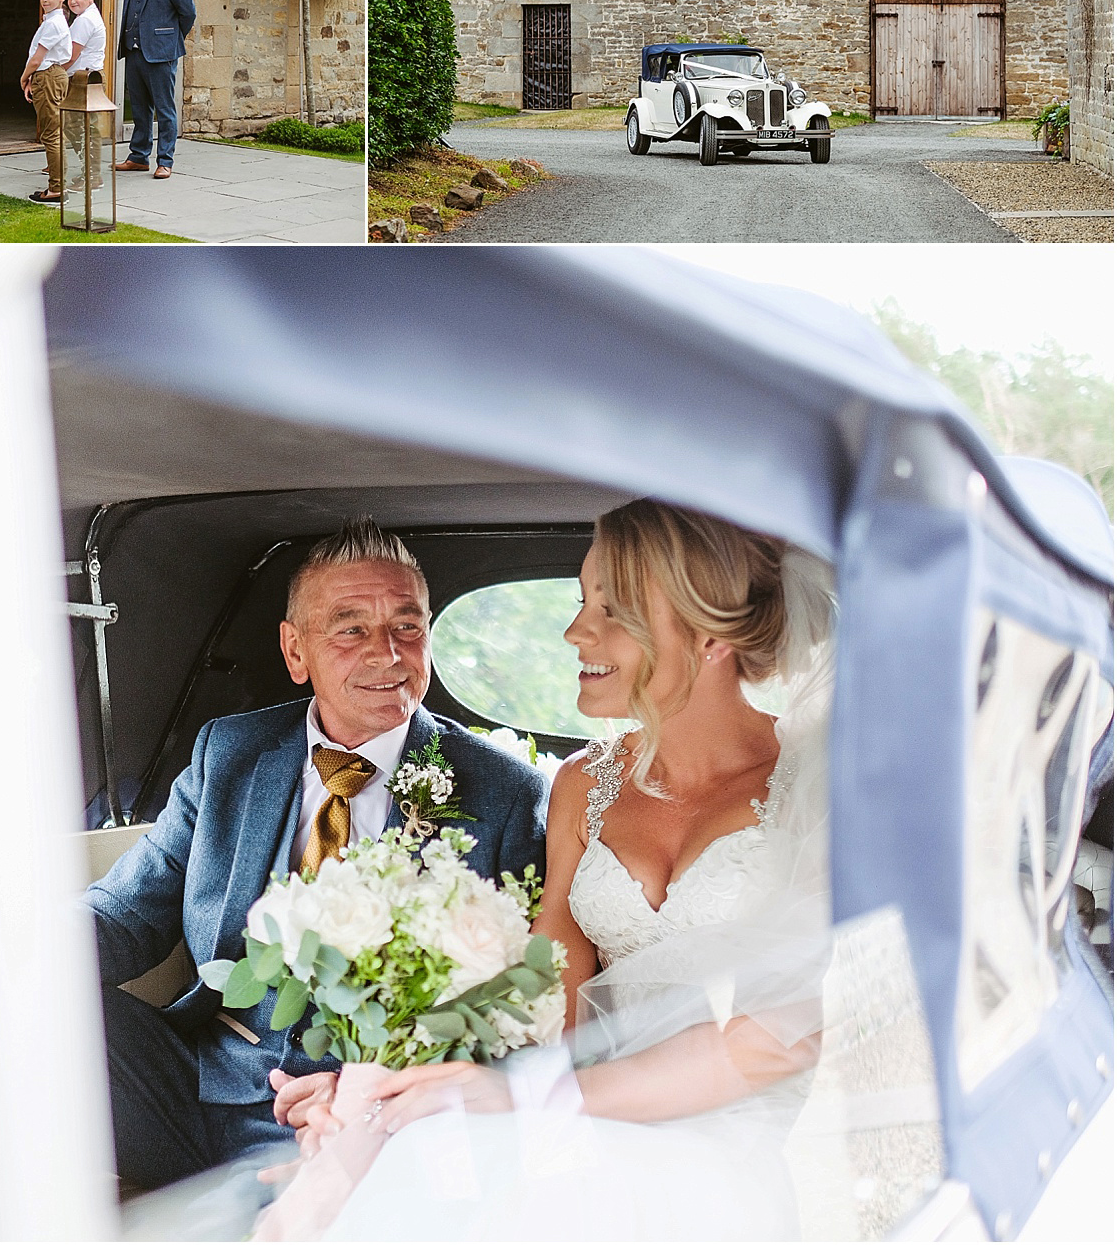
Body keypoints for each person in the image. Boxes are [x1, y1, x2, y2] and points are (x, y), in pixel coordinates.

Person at [263, 499, 836, 1242]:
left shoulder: (819, 785)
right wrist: (388, 1088)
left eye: (612, 609)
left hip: (731, 1132)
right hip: (582, 1114)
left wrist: (532, 1101)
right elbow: (549, 1003)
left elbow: (775, 1043)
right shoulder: (582, 784)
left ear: (708, 633)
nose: (576, 632)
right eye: (581, 602)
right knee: (405, 1156)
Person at [83, 517, 549, 1195]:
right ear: (295, 651)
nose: (387, 653)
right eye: (351, 628)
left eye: (408, 627)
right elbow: (128, 912)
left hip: (369, 1117)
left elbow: (512, 1005)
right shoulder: (229, 754)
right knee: (40, 1001)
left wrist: (370, 1094)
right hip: (199, 1080)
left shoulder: (505, 793)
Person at [114, 0, 195, 180]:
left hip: (161, 53)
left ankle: (165, 160)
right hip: (134, 50)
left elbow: (188, 13)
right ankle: (138, 157)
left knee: (164, 108)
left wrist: (168, 39)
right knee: (139, 108)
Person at [21, 0, 72, 203]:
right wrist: (33, 78)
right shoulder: (51, 21)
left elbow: (37, 59)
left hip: (49, 77)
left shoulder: (54, 23)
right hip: (48, 74)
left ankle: (56, 189)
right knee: (53, 133)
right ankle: (58, 184)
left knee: (51, 134)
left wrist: (24, 78)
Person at [63, 0, 108, 188]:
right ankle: (89, 172)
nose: (73, 2)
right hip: (88, 77)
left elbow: (71, 55)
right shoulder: (86, 16)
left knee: (81, 128)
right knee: (81, 128)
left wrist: (55, 72)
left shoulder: (85, 20)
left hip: (84, 79)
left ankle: (92, 176)